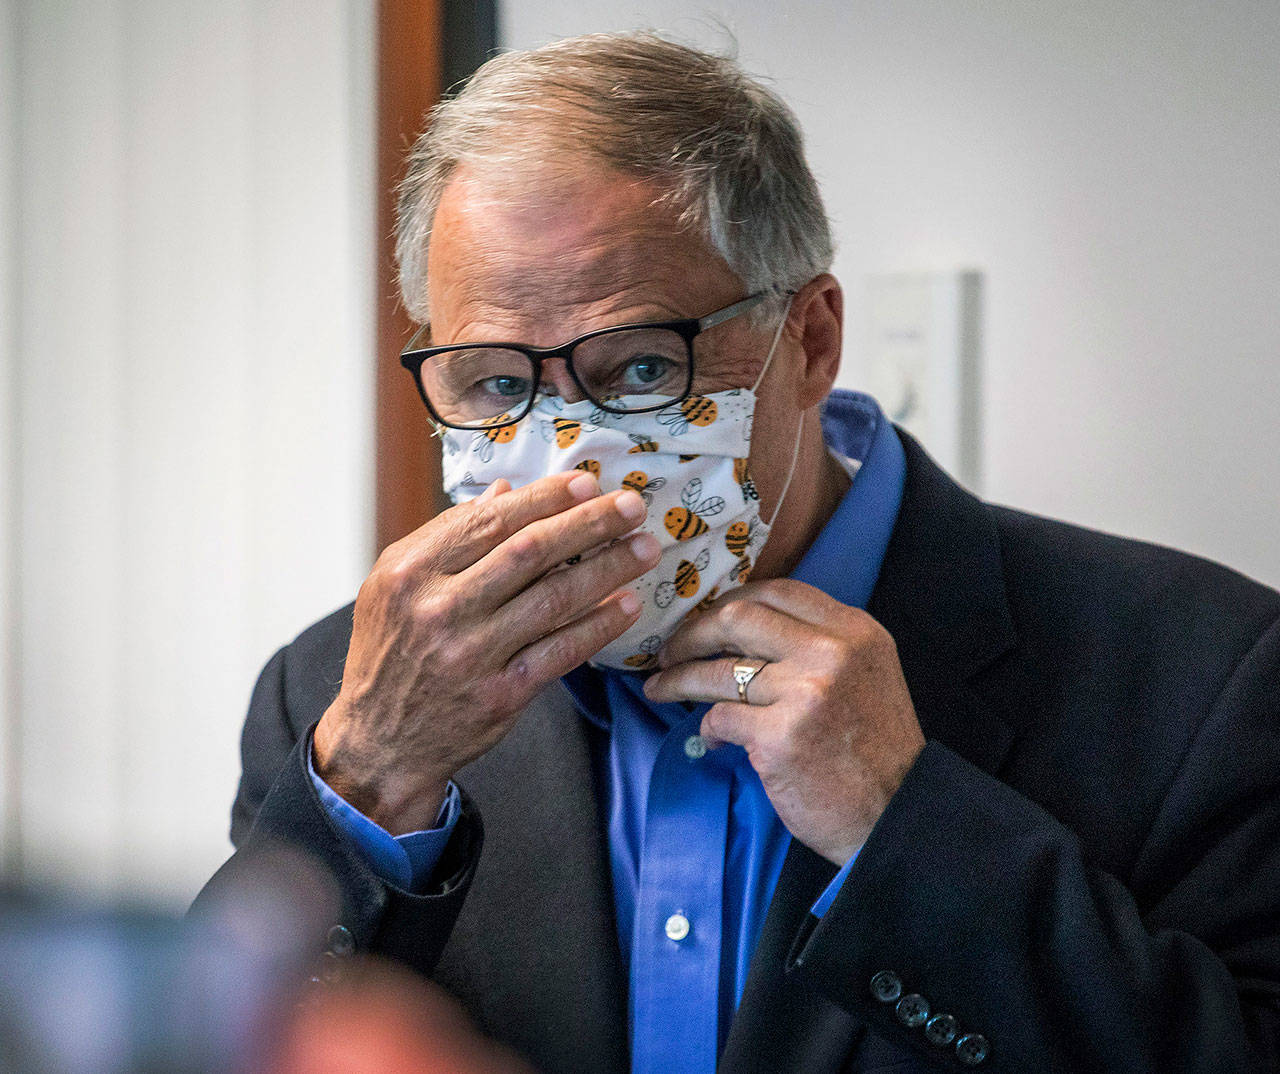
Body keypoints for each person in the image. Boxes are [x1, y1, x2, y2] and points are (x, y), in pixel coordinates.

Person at [198, 31, 1280, 1074]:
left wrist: (904, 828)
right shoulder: (333, 695)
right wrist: (373, 780)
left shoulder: (1203, 676)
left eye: (634, 370)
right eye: (494, 383)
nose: (566, 454)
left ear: (807, 340)